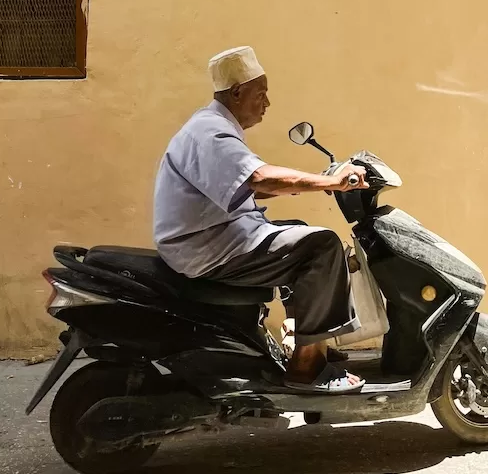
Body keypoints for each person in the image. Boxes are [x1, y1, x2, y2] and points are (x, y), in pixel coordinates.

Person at [153, 46, 367, 393]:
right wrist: (329, 181)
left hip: (214, 237)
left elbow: (239, 187)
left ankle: (302, 336)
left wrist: (308, 184)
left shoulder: (212, 126)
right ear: (237, 93)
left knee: (296, 228)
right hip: (210, 248)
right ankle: (307, 368)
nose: (266, 103)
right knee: (322, 245)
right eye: (260, 94)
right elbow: (258, 179)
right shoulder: (212, 132)